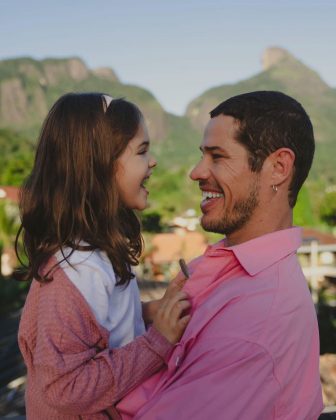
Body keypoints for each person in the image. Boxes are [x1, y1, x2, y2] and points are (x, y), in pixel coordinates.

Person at [117, 91, 323, 419]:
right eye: (203, 155)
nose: (196, 172)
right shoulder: (223, 266)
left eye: (217, 156)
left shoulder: (257, 321)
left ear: (279, 167)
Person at [17, 92, 191, 419]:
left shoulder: (91, 257)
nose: (152, 161)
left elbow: (95, 324)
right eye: (141, 151)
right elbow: (65, 387)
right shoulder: (79, 266)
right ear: (100, 166)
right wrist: (158, 342)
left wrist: (150, 312)